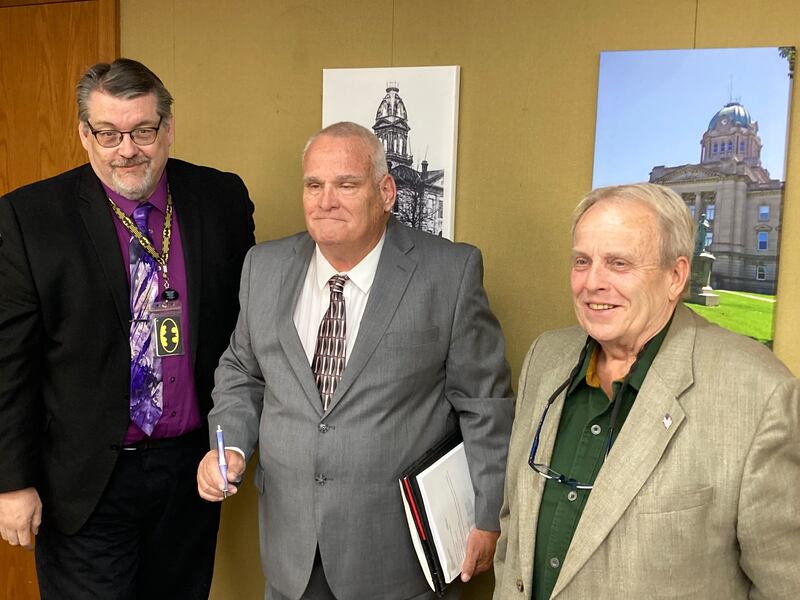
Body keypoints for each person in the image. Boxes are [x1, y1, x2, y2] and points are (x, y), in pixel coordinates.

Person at [197, 121, 514, 600]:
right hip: (290, 554)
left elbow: (484, 404)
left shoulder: (449, 273)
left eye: (346, 184)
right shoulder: (263, 267)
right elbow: (242, 371)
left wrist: (490, 518)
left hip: (398, 560)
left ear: (385, 191)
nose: (326, 201)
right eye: (313, 185)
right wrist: (232, 447)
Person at [0, 58, 255, 598]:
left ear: (167, 128)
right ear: (84, 135)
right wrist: (12, 482)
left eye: (142, 130)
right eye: (108, 133)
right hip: (85, 478)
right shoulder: (29, 217)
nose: (127, 149)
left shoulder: (222, 200)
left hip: (191, 471)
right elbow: (9, 363)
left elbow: (245, 336)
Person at [493, 183, 800, 599]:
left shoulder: (758, 395)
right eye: (582, 261)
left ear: (676, 276)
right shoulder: (545, 358)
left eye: (618, 263)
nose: (592, 282)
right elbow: (514, 522)